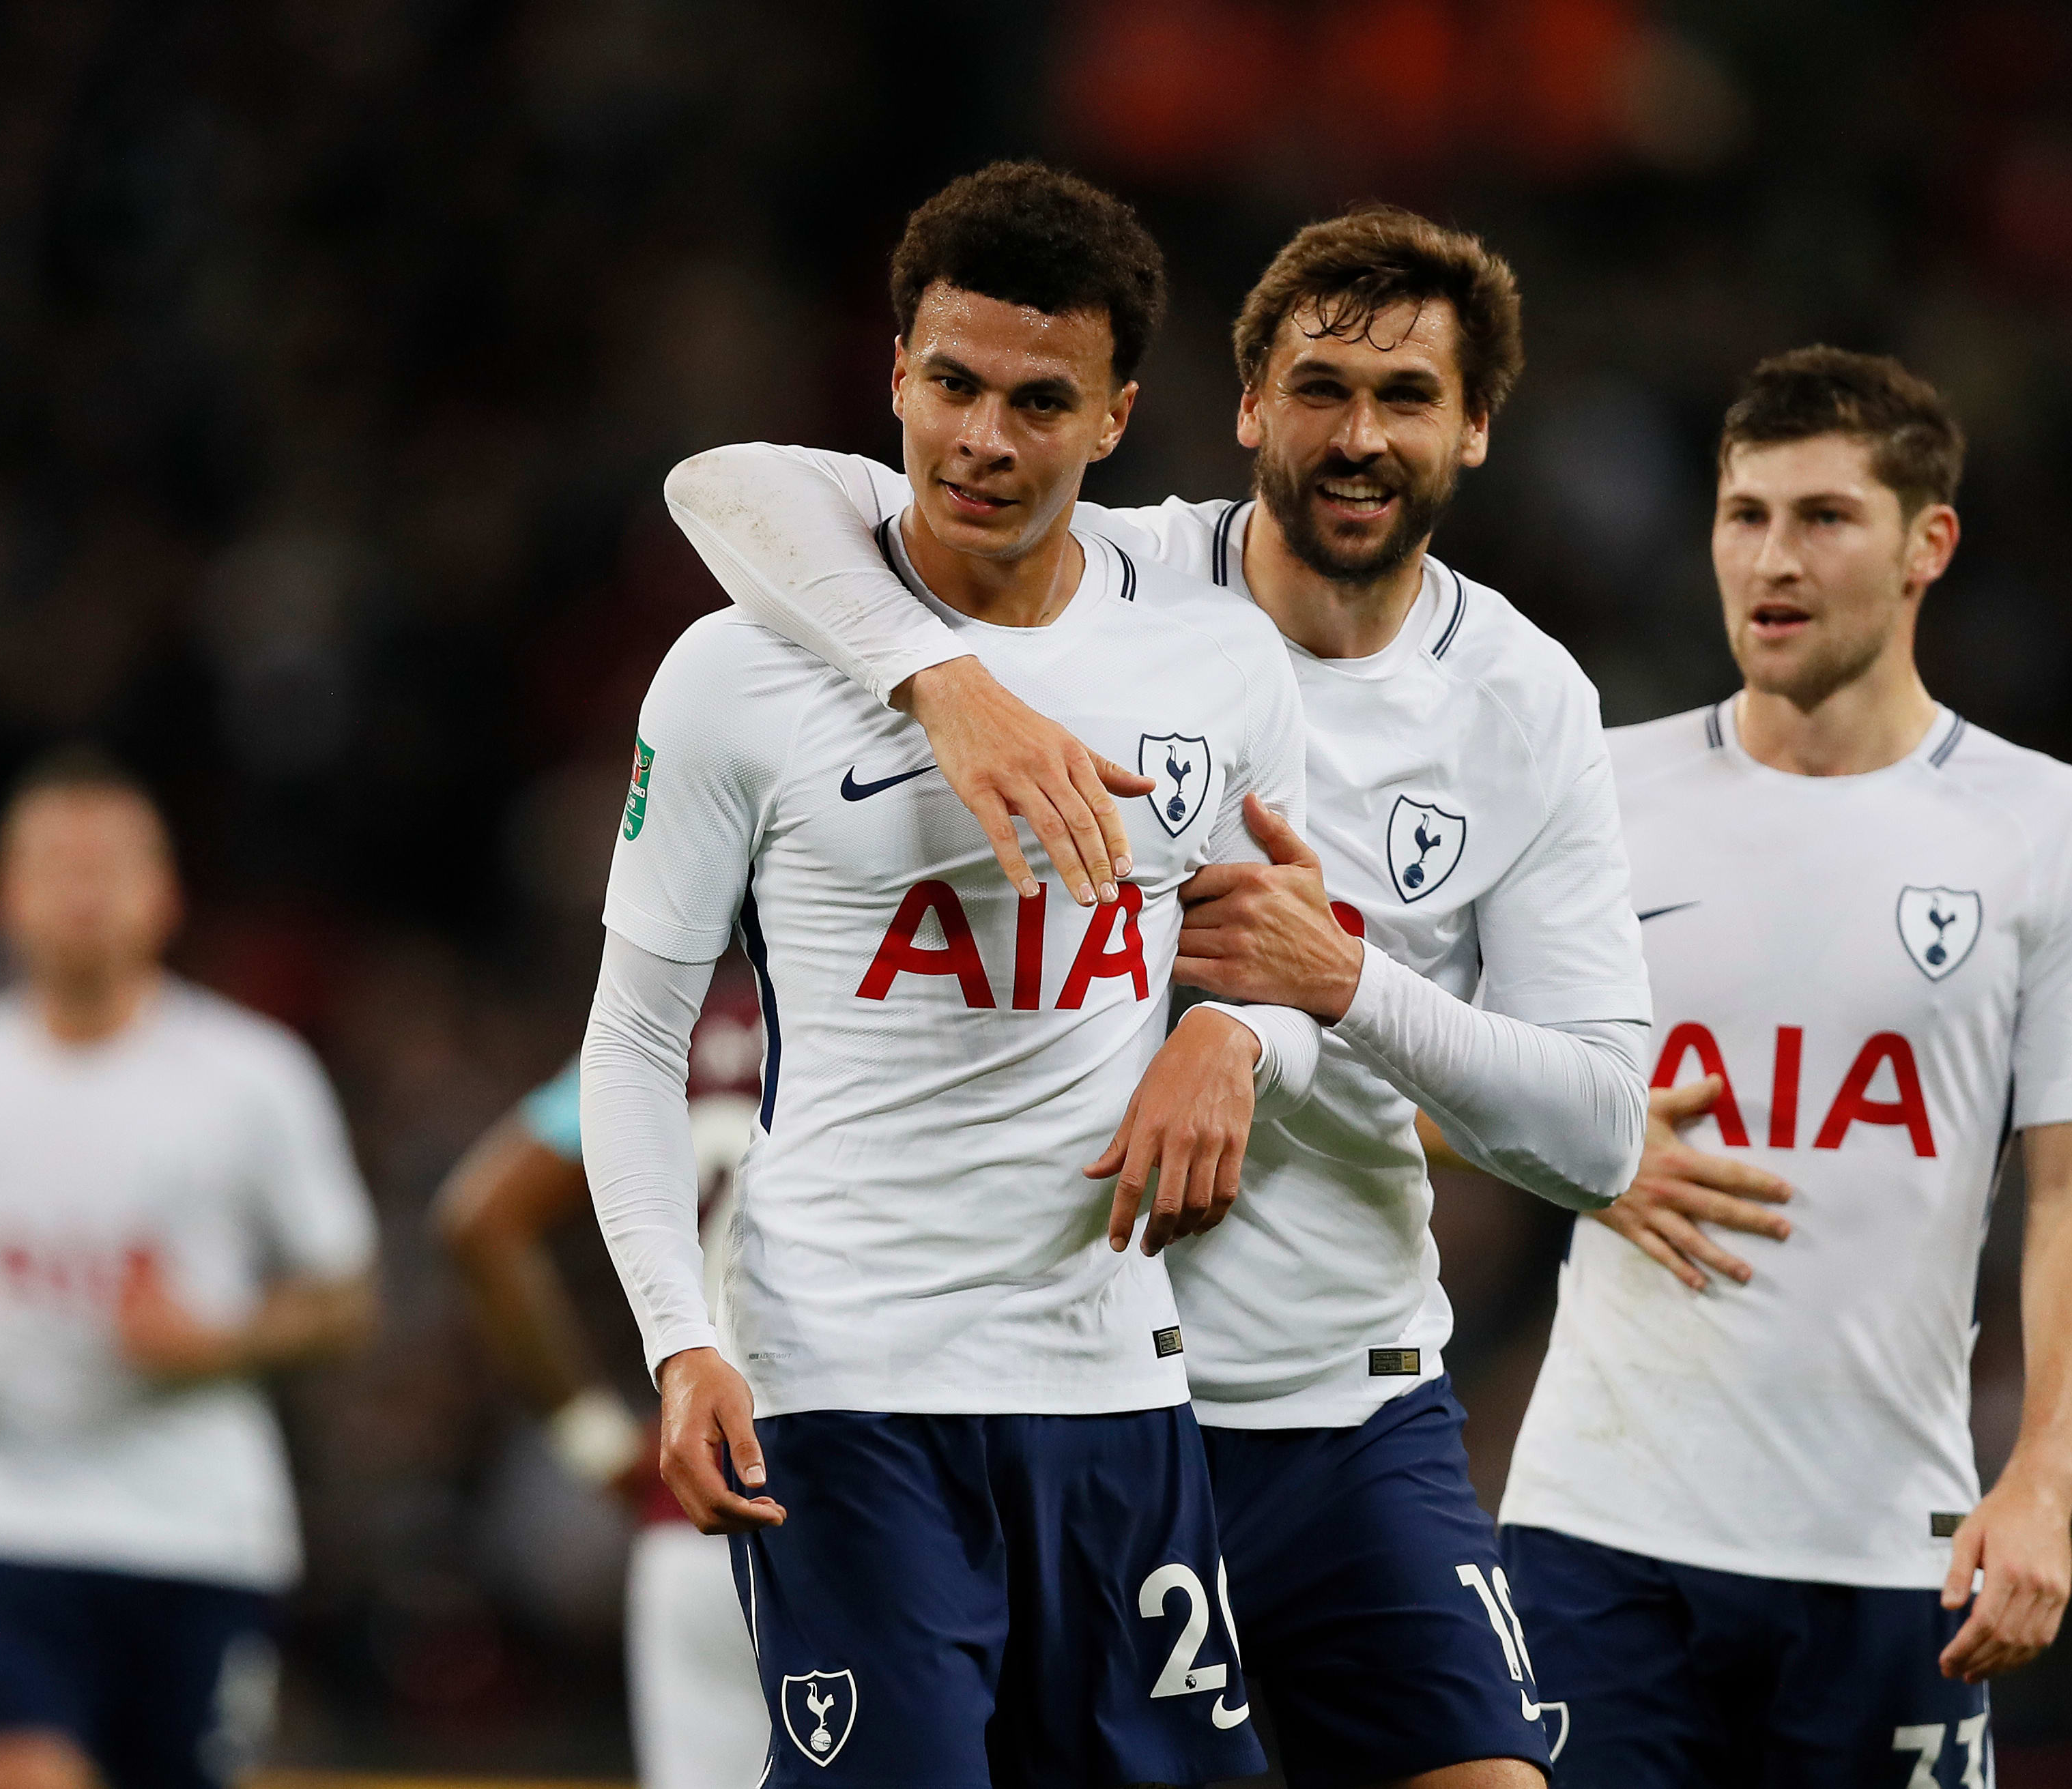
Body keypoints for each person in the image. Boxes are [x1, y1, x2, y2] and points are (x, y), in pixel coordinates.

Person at [664, 205, 1660, 1788]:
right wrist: (945, 680)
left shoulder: (1526, 701)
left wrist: (1332, 990)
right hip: (1075, 1392)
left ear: (1475, 426)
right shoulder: (1105, 567)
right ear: (1247, 405)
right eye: (1319, 388)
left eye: (1407, 396)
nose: (1358, 435)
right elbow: (733, 491)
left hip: (1336, 1408)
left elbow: (1600, 1134)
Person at [584, 162, 1313, 1788]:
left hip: (1114, 1381)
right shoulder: (737, 673)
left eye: (1040, 401)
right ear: (897, 376)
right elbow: (632, 1036)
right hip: (844, 1383)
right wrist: (680, 1339)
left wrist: (1238, 1042)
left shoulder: (1215, 663)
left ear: (1115, 417)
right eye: (956, 385)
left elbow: (1293, 964)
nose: (985, 437)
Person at [1496, 348, 2072, 1787]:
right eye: (1744, 515)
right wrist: (1581, 1144)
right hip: (1602, 1535)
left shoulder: (2047, 828)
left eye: (1824, 518)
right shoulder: (1599, 789)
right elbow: (1422, 1074)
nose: (1772, 559)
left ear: (1930, 544)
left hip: (1887, 1549)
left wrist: (2045, 1482)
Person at [0, 747, 379, 1789]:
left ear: (166, 895)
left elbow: (346, 1296)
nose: (82, 891)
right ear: (3, 898)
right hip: (0, 1513)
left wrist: (219, 1342)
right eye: (55, 865)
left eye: (109, 864)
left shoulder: (255, 1079)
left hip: (200, 1523)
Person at [434, 998, 767, 1789]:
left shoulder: (671, 1020)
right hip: (879, 1494)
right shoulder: (895, 1004)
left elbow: (480, 1216)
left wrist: (596, 1441)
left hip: (692, 1513)